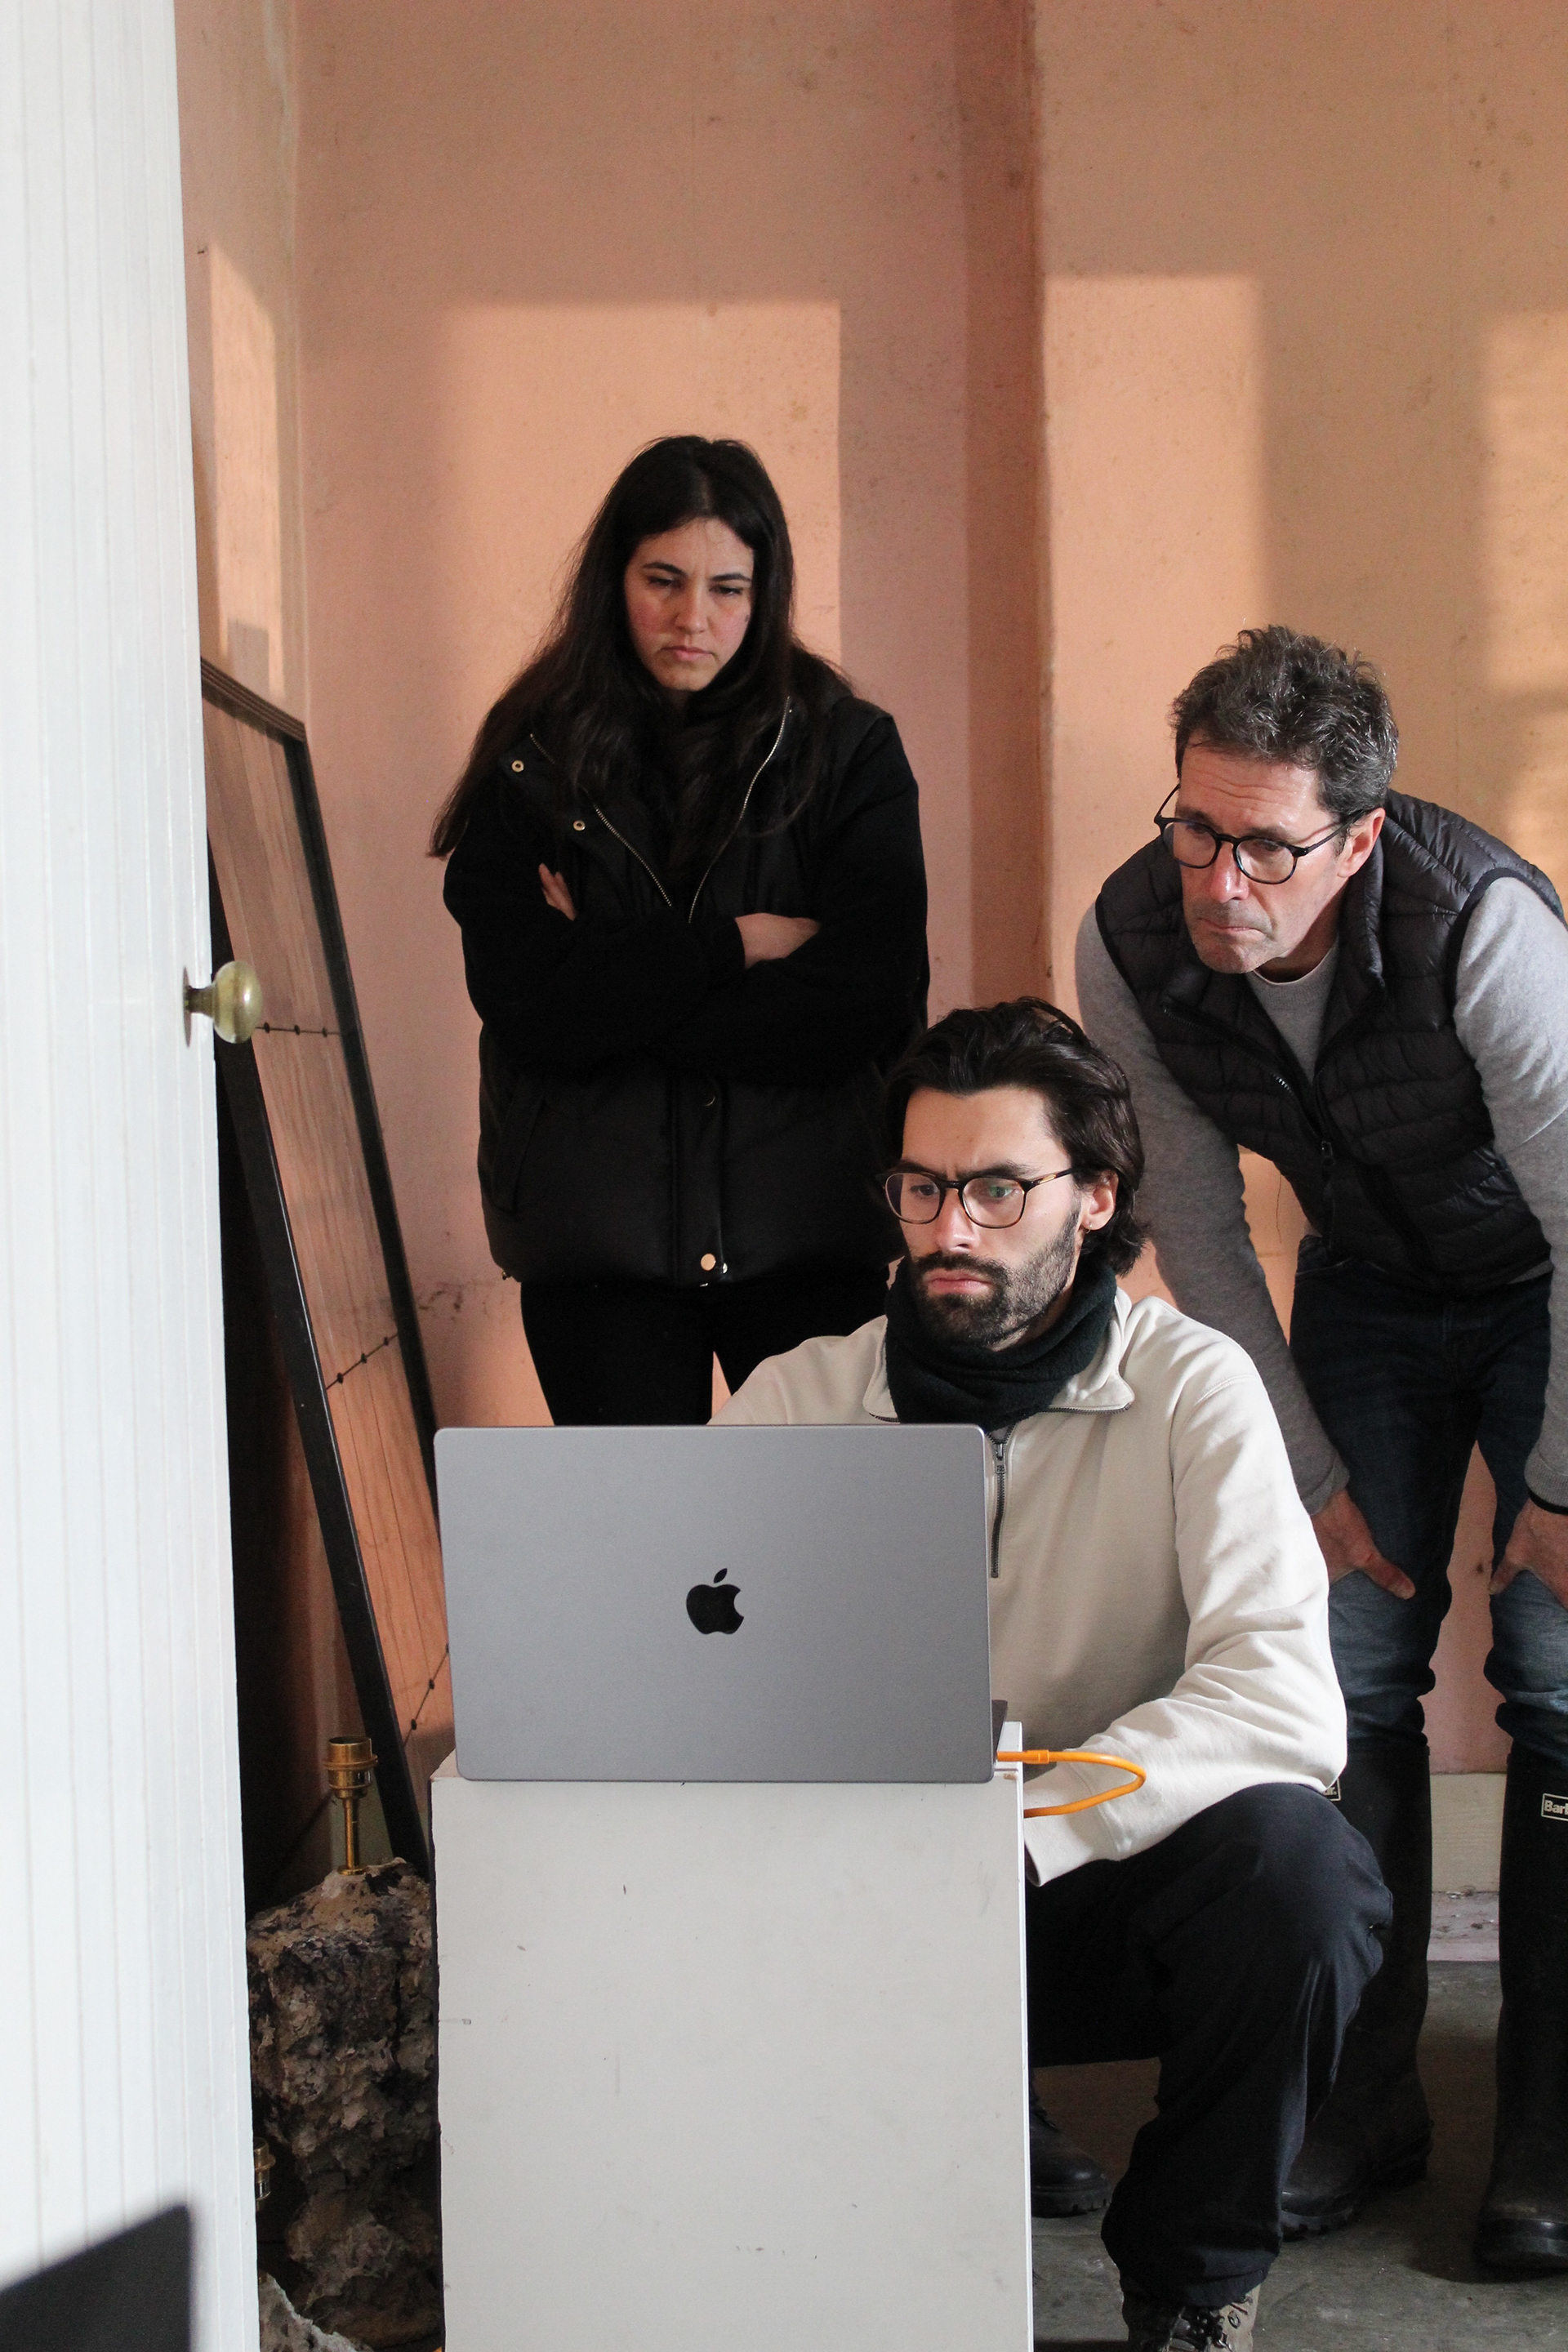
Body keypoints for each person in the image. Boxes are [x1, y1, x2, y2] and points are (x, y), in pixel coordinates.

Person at [719, 998, 1386, 2352]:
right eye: (923, 1188)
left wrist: (1034, 1827)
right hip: (856, 1897)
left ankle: (1193, 2291)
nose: (951, 1229)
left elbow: (1284, 1696)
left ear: (1096, 1197)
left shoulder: (1194, 1387)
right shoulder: (798, 1397)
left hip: (1083, 1882)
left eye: (997, 1189)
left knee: (1303, 1877)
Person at [1076, 624, 1568, 2272]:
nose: (1222, 883)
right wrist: (1309, 1475)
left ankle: (1551, 2137)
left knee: (1560, 1672)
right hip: (1365, 1289)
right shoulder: (1130, 939)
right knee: (1341, 1668)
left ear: (1356, 841)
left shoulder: (1479, 926)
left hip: (1549, 1284)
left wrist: (1561, 1489)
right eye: (1195, 829)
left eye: (1269, 848)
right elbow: (1200, 1231)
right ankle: (1360, 2102)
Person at [434, 435, 927, 1424]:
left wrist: (609, 986)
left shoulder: (848, 752)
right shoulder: (532, 761)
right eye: (663, 579)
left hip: (807, 1231)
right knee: (638, 1529)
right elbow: (528, 1000)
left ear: (765, 592)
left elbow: (865, 1000)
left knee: (820, 1523)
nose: (693, 618)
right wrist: (735, 948)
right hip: (596, 1252)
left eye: (728, 588)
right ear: (613, 578)